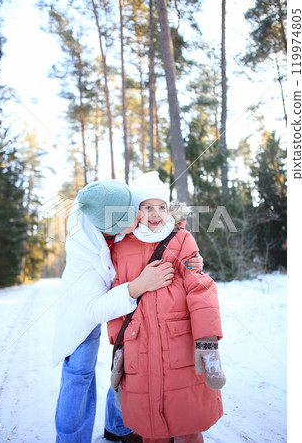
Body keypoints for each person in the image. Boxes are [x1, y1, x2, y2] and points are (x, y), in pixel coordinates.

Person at [52, 179, 203, 443]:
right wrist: (138, 286)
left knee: (126, 362)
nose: (138, 218)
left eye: (135, 210)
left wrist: (189, 258)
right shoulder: (83, 251)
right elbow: (94, 310)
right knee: (79, 372)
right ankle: (70, 439)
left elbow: (157, 214)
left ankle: (117, 427)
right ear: (109, 226)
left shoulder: (114, 201)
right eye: (130, 217)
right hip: (86, 307)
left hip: (124, 303)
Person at [108, 172, 226, 443]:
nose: (155, 213)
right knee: (150, 428)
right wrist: (119, 347)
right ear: (136, 211)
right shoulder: (121, 247)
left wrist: (207, 341)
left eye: (161, 206)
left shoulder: (180, 239)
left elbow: (200, 287)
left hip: (179, 344)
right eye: (147, 206)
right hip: (139, 345)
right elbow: (117, 296)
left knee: (188, 422)